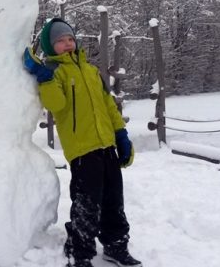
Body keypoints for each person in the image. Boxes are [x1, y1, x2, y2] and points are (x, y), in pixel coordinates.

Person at [23, 18, 141, 267]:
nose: (67, 44)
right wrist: (44, 78)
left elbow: (108, 105)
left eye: (70, 39)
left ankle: (116, 245)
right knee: (87, 204)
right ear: (49, 46)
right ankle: (80, 252)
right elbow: (56, 105)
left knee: (113, 199)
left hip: (107, 145)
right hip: (82, 150)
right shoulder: (55, 73)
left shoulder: (91, 71)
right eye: (59, 41)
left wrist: (121, 135)